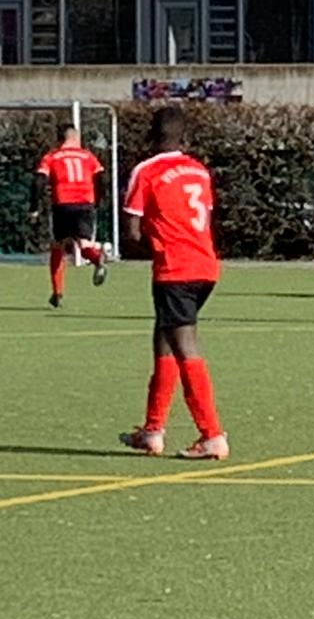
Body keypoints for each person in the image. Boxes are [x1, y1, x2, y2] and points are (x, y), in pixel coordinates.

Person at [117, 107, 228, 460]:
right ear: (185, 137)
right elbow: (203, 217)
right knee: (163, 340)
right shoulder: (198, 170)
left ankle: (212, 435)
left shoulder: (146, 171)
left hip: (175, 270)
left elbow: (132, 232)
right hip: (205, 266)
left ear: (150, 136)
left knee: (185, 347)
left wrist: (155, 245)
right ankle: (152, 430)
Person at [31, 124, 109, 307]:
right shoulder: (88, 156)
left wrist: (34, 208)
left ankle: (57, 292)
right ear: (76, 138)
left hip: (62, 204)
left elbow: (38, 182)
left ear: (60, 139)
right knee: (84, 244)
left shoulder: (52, 156)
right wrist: (98, 200)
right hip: (85, 204)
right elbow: (103, 178)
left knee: (58, 246)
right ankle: (97, 258)